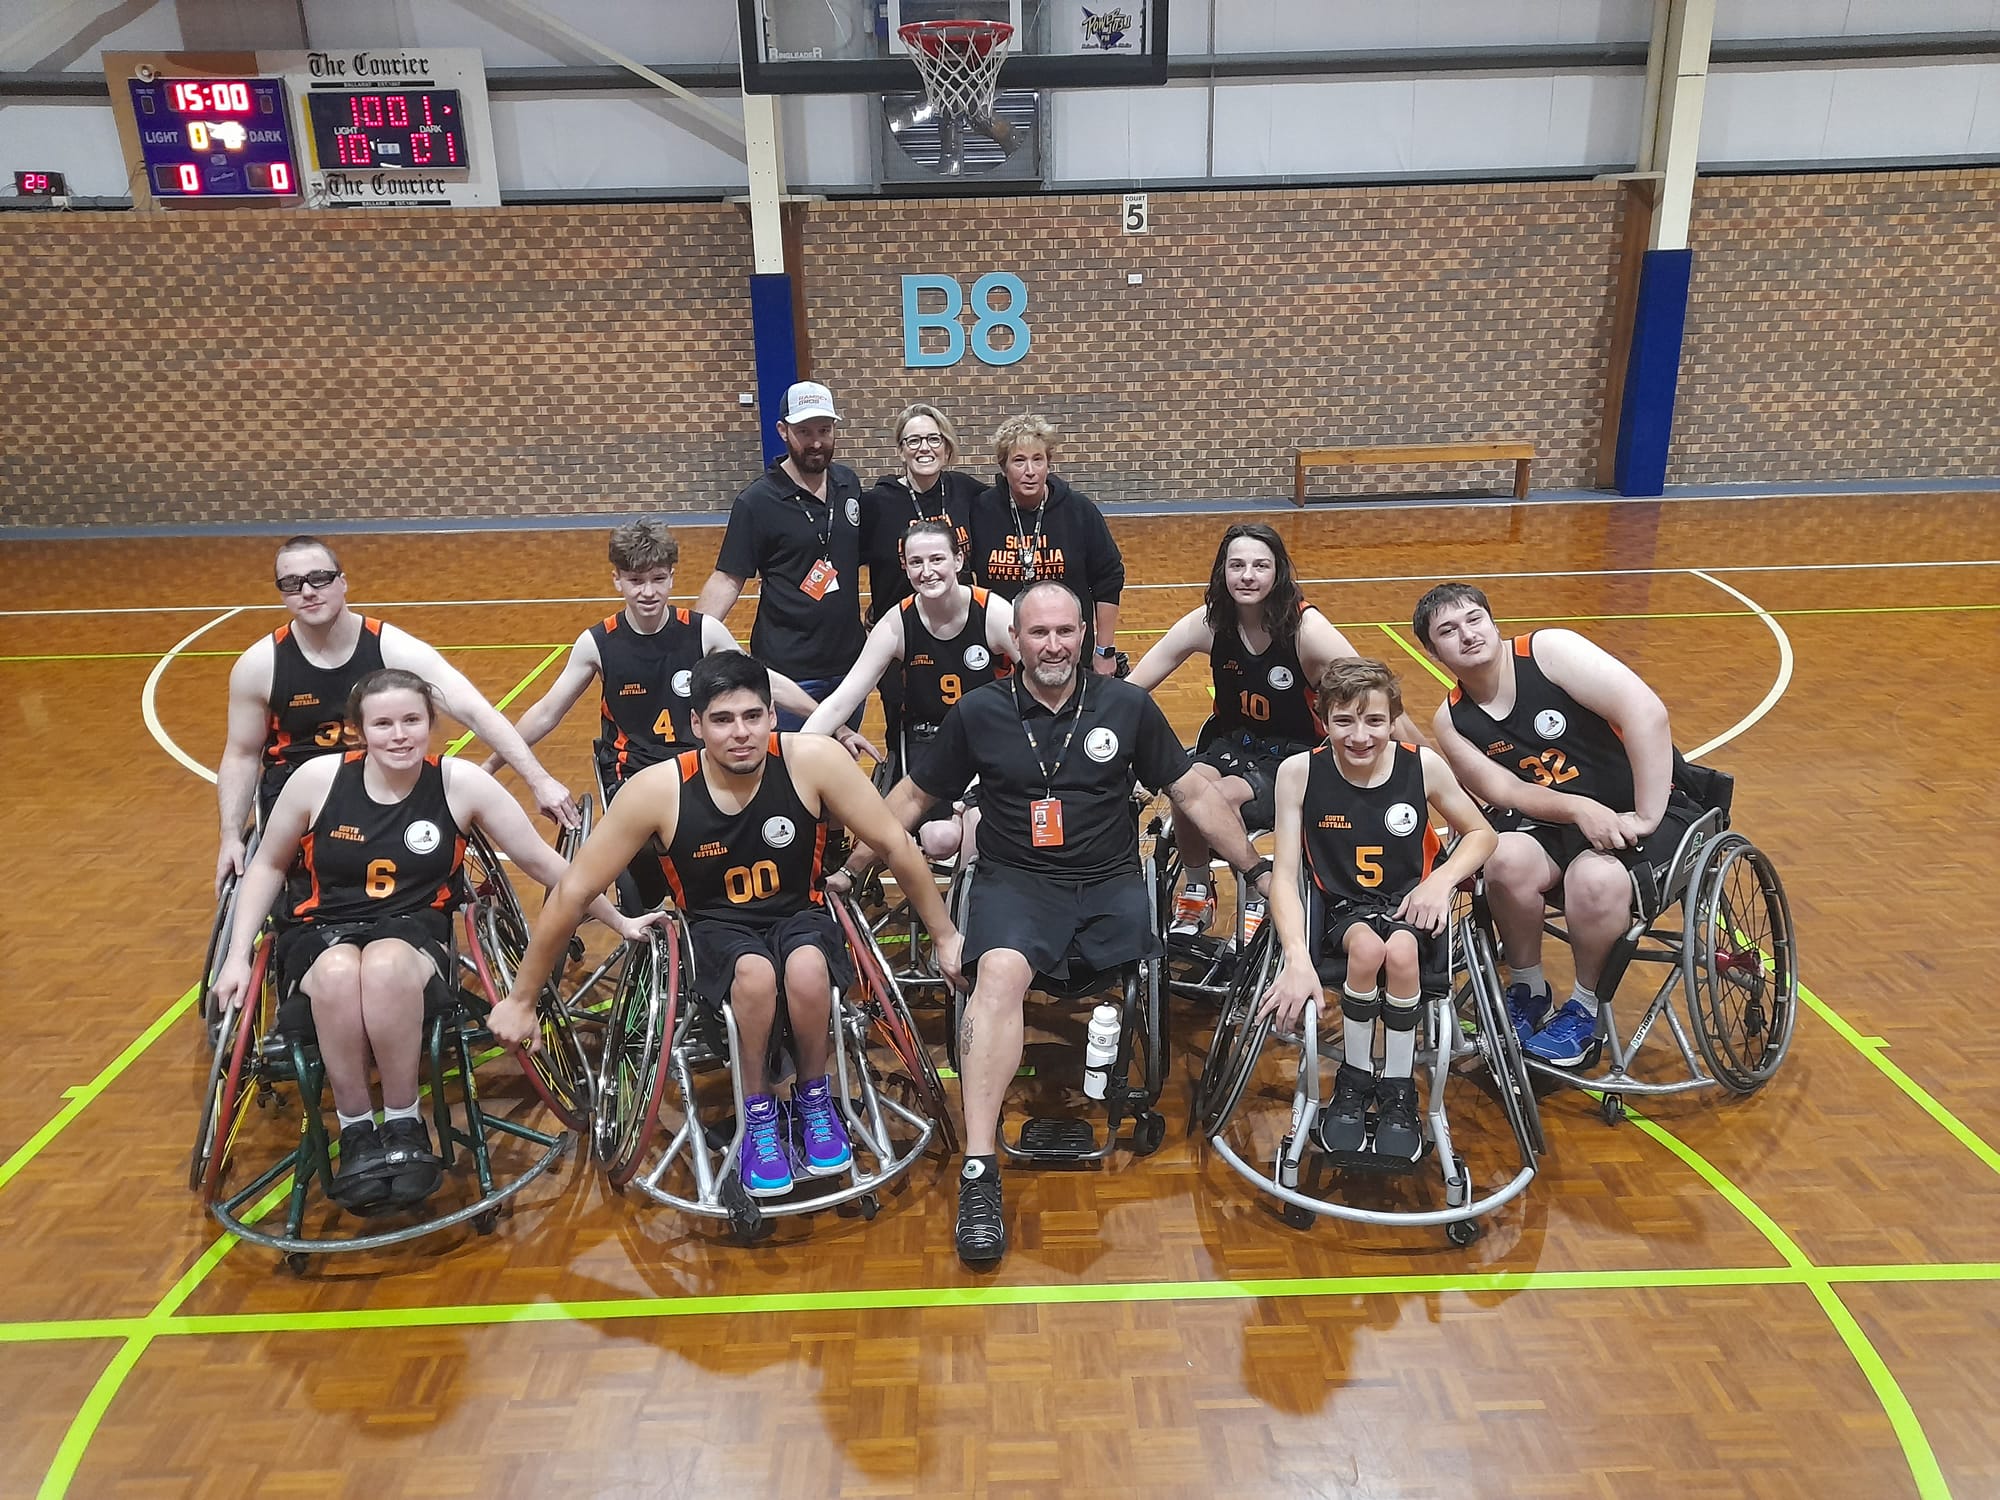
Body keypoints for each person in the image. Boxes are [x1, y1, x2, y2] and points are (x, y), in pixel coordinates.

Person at [855, 582, 1272, 1268]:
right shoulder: (980, 712)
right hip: (1015, 882)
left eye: (1065, 631)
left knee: (1112, 959)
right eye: (1039, 633)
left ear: (1084, 635)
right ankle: (979, 1172)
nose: (1053, 645)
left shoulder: (1127, 706)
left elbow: (1193, 792)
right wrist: (851, 868)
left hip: (1108, 883)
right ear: (1015, 641)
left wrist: (1254, 870)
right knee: (997, 974)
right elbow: (914, 795)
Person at [486, 653, 962, 1203]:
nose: (741, 733)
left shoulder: (813, 761)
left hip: (799, 912)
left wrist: (946, 936)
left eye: (753, 716)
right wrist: (522, 999)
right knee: (755, 976)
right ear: (696, 725)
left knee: (808, 969)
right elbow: (572, 891)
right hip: (713, 926)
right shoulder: (657, 790)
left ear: (772, 717)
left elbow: (897, 845)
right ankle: (757, 1109)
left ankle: (814, 1095)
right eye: (723, 719)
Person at [211, 669, 657, 1212]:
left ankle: (404, 1121)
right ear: (359, 731)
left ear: (430, 724)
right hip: (320, 930)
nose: (399, 735)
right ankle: (356, 1129)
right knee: (337, 972)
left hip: (414, 931)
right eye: (383, 724)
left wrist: (620, 921)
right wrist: (236, 956)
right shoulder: (316, 780)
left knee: (383, 965)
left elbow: (548, 864)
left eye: (411, 721)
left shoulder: (459, 783)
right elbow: (267, 866)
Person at [482, 520, 866, 907]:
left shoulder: (703, 631)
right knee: (649, 849)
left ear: (672, 577)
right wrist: (493, 764)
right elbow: (547, 712)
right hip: (634, 775)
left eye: (658, 579)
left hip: (701, 769)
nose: (648, 592)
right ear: (617, 581)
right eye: (636, 581)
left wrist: (837, 726)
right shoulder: (598, 643)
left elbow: (763, 683)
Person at [1413, 582, 1700, 1067]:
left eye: (1474, 619)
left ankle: (1585, 1010)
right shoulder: (1452, 720)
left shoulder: (1549, 652)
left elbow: (1646, 713)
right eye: (1448, 630)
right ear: (1433, 651)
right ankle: (1528, 990)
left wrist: (1647, 814)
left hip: (1650, 809)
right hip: (1561, 821)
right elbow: (1506, 793)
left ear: (1493, 622)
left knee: (1593, 877)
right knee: (1502, 858)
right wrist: (1578, 809)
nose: (1467, 635)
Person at [214, 535, 575, 894]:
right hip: (303, 799)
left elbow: (476, 711)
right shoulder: (260, 666)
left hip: (388, 781)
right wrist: (230, 836)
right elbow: (242, 754)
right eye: (292, 584)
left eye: (319, 578)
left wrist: (538, 779)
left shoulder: (393, 649)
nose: (307, 591)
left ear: (343, 582)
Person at [1261, 658, 1496, 1163]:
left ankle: (1398, 1088)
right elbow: (1284, 877)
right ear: (1323, 719)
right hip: (1344, 907)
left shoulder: (1421, 766)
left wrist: (1440, 882)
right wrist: (1296, 957)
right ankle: (1354, 1077)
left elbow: (1482, 834)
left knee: (1404, 952)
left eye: (1374, 721)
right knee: (1367, 949)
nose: (1360, 735)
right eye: (1343, 721)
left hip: (1412, 904)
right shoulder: (1299, 773)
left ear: (1393, 719)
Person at [1128, 522, 1403, 941]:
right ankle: (1199, 887)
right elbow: (1132, 689)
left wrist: (1422, 765)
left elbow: (1374, 693)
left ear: (1278, 572)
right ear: (1222, 571)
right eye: (1236, 565)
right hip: (1231, 744)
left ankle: (1258, 890)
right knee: (1184, 787)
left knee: (1219, 797)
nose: (1247, 575)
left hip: (1293, 754)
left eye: (1260, 565)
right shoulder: (1209, 623)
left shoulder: (1306, 629)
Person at [802, 518, 1014, 859]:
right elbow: (843, 700)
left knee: (979, 827)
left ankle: (966, 891)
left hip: (989, 738)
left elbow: (1037, 678)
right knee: (940, 839)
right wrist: (793, 754)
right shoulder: (896, 623)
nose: (927, 571)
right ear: (905, 567)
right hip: (930, 742)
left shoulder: (993, 612)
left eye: (937, 559)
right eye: (916, 562)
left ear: (958, 560)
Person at [696, 381, 867, 730]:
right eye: (804, 432)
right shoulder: (757, 502)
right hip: (788, 674)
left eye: (824, 430)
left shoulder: (848, 484)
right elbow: (728, 579)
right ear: (783, 431)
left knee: (839, 758)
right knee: (788, 760)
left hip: (849, 669)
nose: (816, 442)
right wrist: (689, 642)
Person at [966, 415, 1125, 671]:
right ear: (1003, 466)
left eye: (1037, 459)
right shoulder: (980, 511)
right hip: (1003, 658)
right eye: (1019, 460)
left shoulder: (1079, 510)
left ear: (1048, 463)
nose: (1030, 471)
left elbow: (1109, 578)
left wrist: (1104, 651)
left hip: (1068, 655)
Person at [859, 403, 982, 623]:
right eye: (914, 440)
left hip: (961, 625)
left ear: (946, 447)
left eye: (934, 439)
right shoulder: (875, 504)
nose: (924, 448)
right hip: (900, 630)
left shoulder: (966, 490)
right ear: (901, 451)